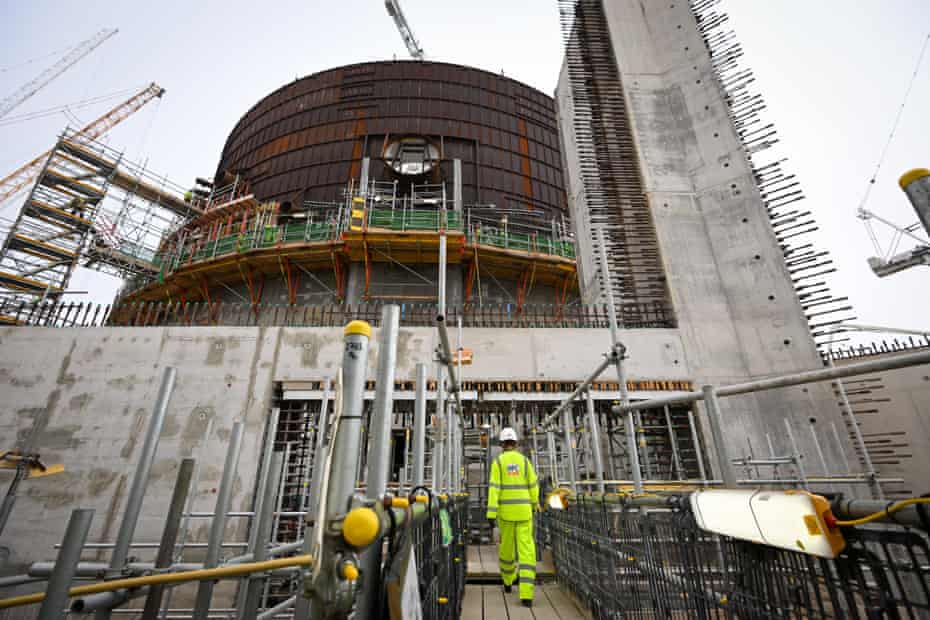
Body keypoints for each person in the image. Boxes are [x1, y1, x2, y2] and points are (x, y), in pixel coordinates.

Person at [486, 427, 540, 607]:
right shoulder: (524, 462)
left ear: (502, 444)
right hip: (525, 513)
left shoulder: (498, 462)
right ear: (516, 443)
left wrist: (491, 513)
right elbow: (533, 485)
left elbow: (494, 488)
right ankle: (526, 595)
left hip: (506, 515)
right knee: (526, 552)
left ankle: (508, 582)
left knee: (507, 550)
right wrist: (535, 503)